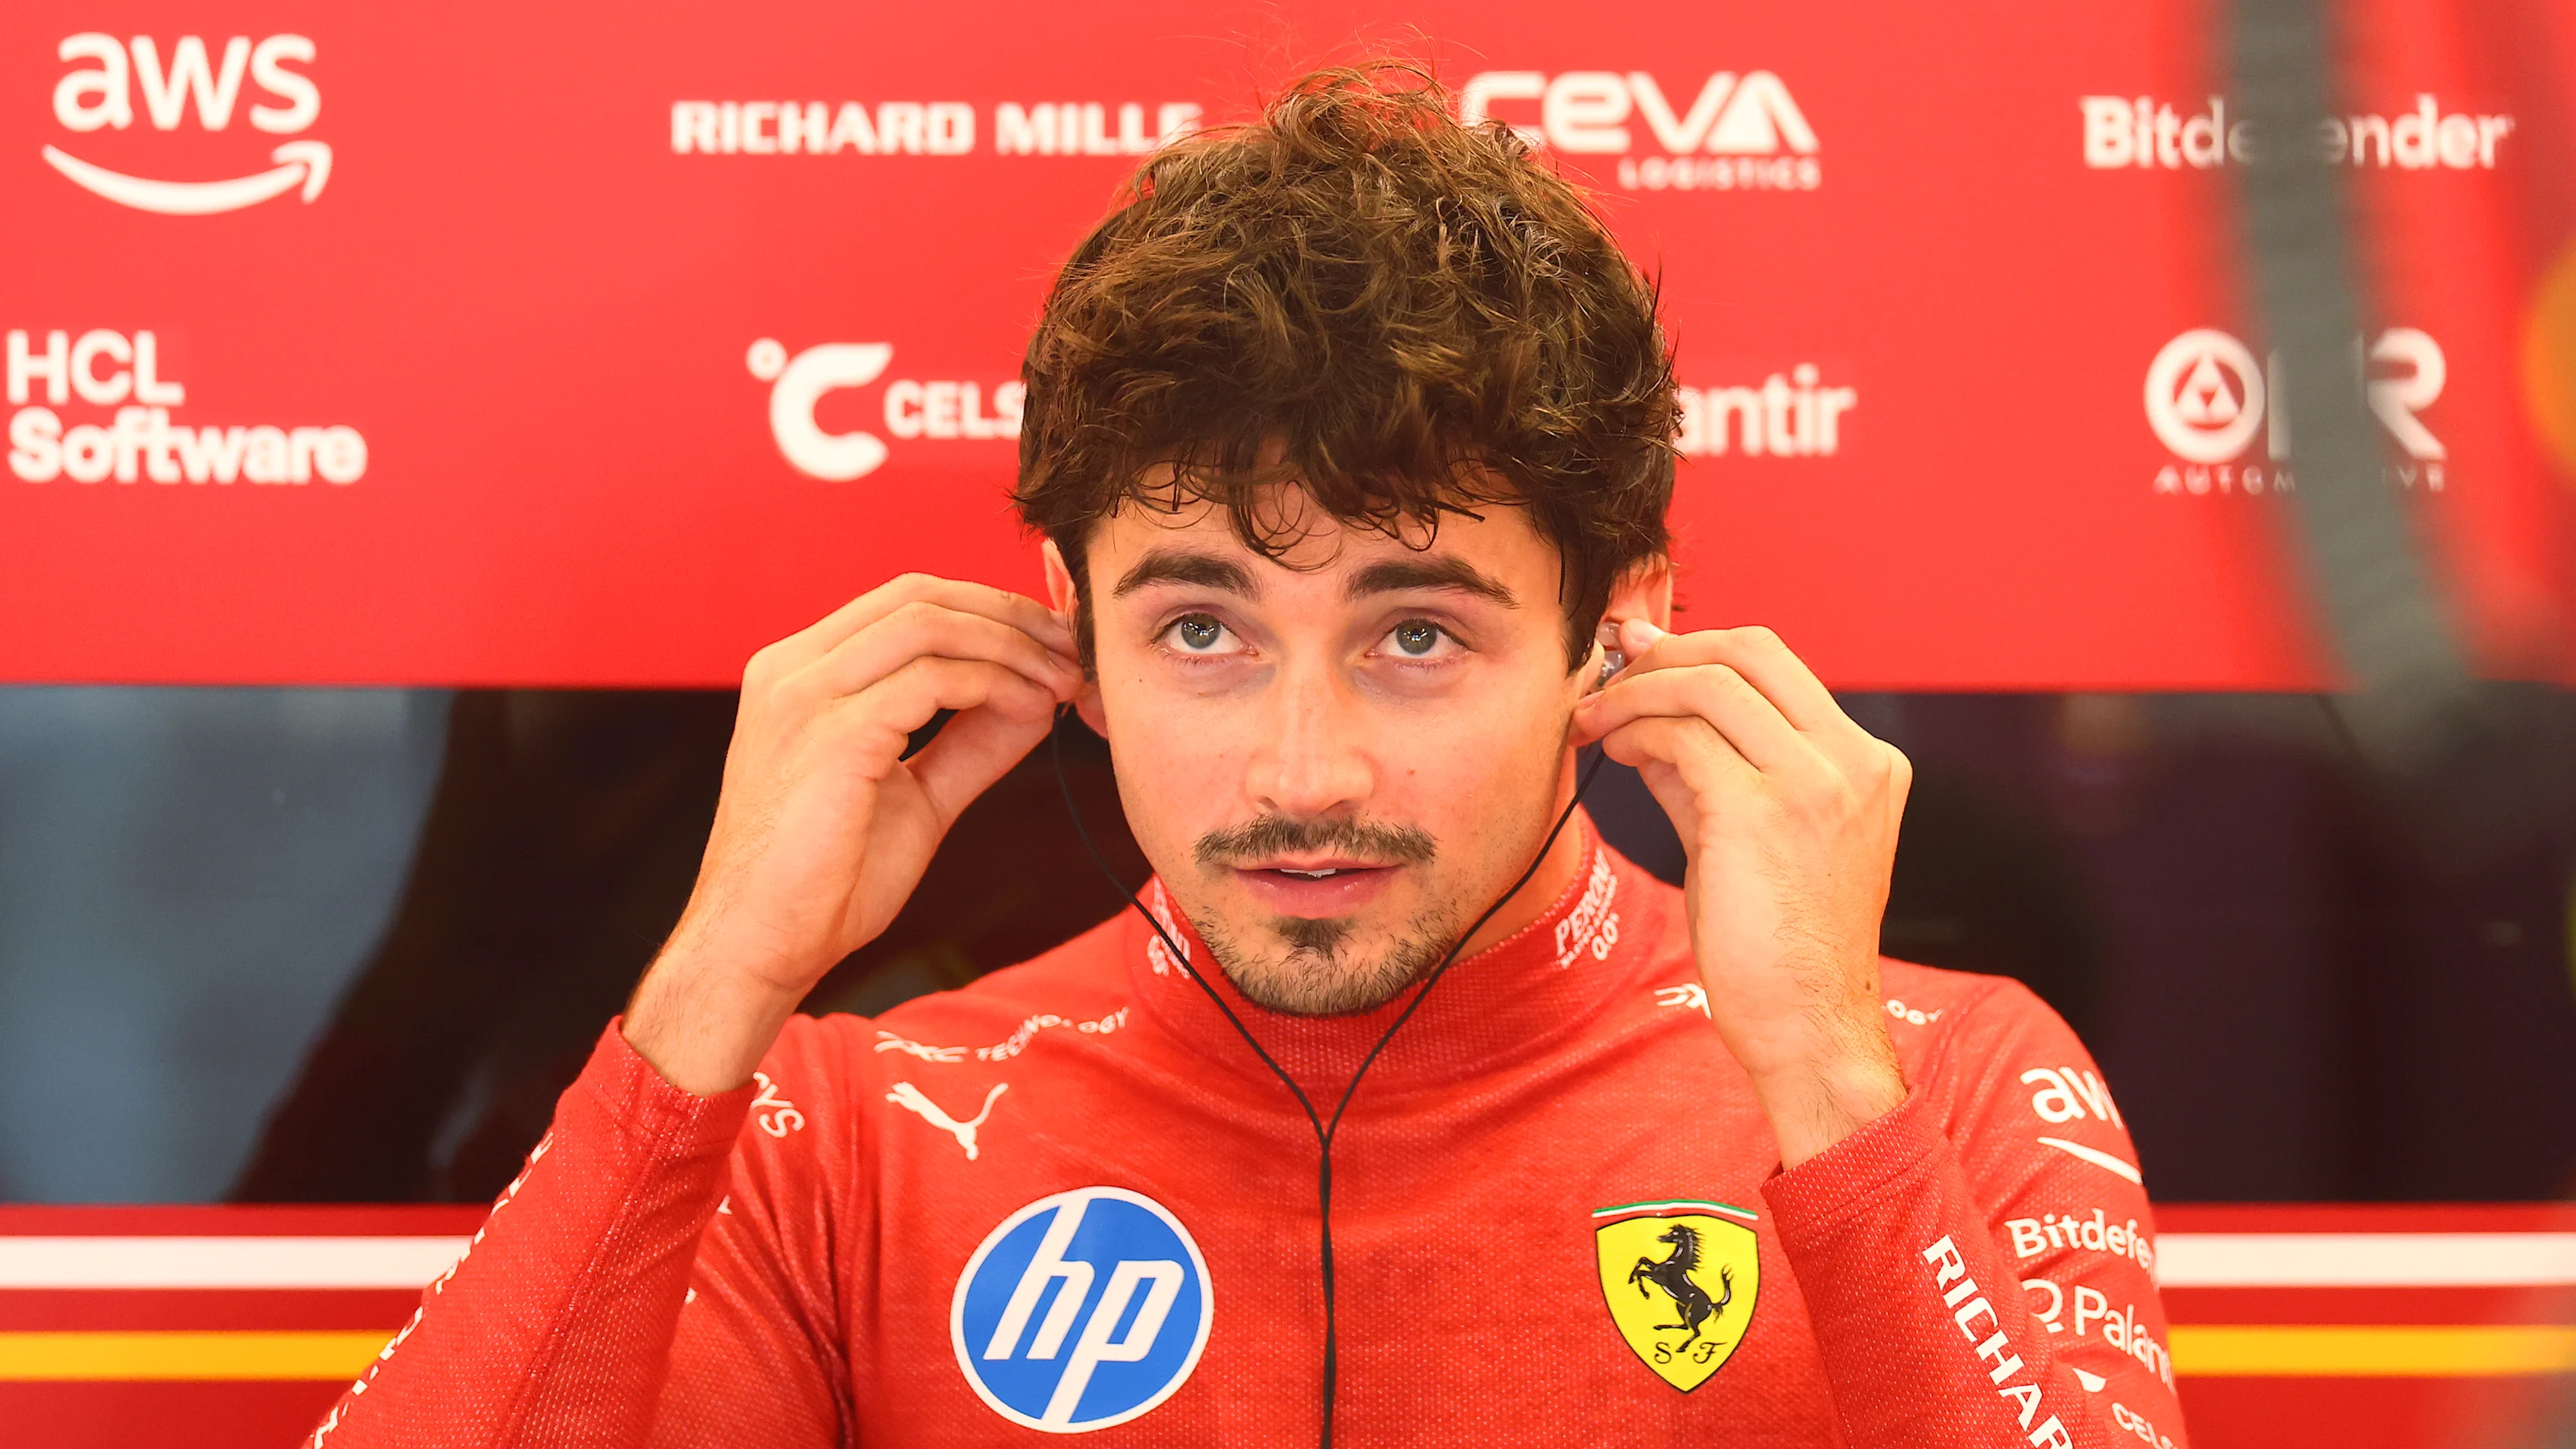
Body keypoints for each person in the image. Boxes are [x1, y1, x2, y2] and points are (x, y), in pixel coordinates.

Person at [305, 65, 2183, 1448]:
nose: (1309, 768)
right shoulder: (853, 1131)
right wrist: (713, 990)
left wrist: (1826, 1096)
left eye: (1416, 633)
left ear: (1623, 621)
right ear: (1075, 631)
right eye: (1202, 628)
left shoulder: (1942, 1081)